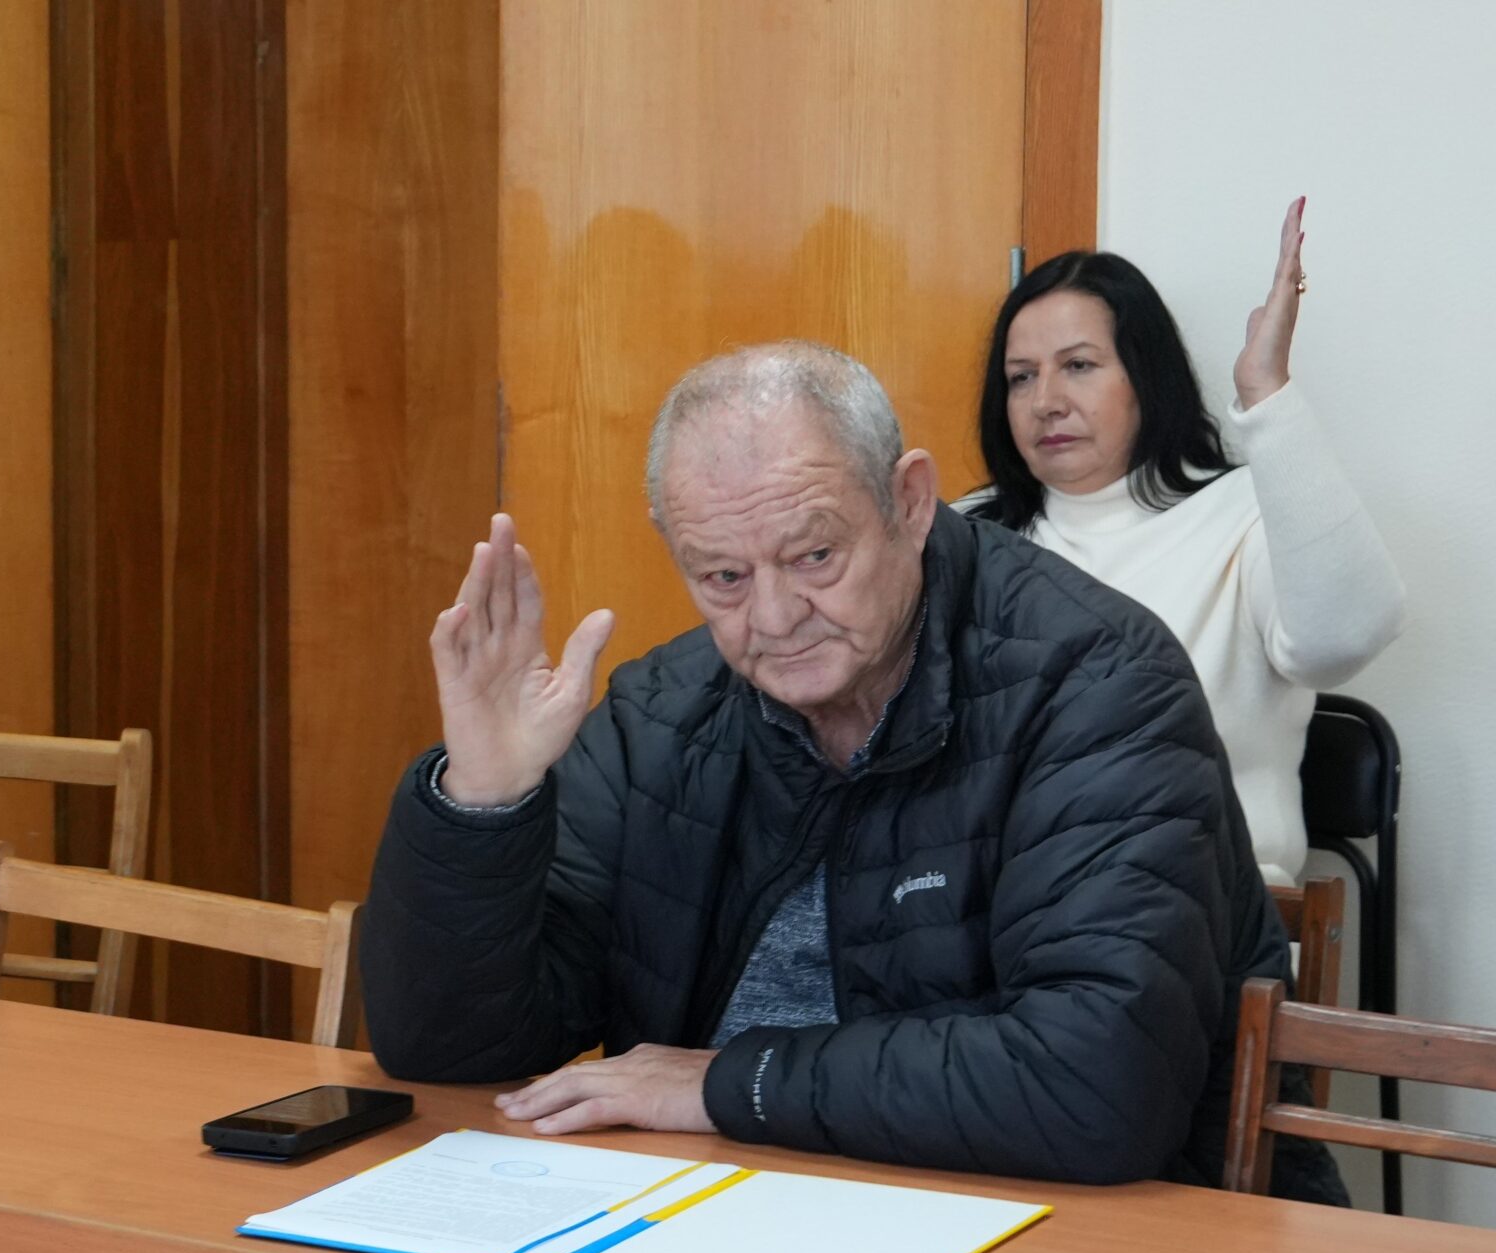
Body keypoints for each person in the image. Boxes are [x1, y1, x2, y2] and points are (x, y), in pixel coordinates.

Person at [361, 341, 1343, 1202]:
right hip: (711, 1214)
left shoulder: (1095, 682)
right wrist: (482, 802)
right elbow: (452, 1049)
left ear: (908, 503)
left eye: (815, 555)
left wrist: (725, 1082)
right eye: (723, 576)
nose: (775, 617)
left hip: (1075, 1239)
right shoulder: (662, 713)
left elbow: (1097, 1083)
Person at [969, 198, 1403, 886]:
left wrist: (1265, 394)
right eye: (1021, 376)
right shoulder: (968, 536)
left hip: (1203, 907)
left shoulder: (1241, 512)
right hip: (1000, 906)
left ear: (1146, 377)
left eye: (1078, 365)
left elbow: (1346, 637)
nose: (1045, 400)